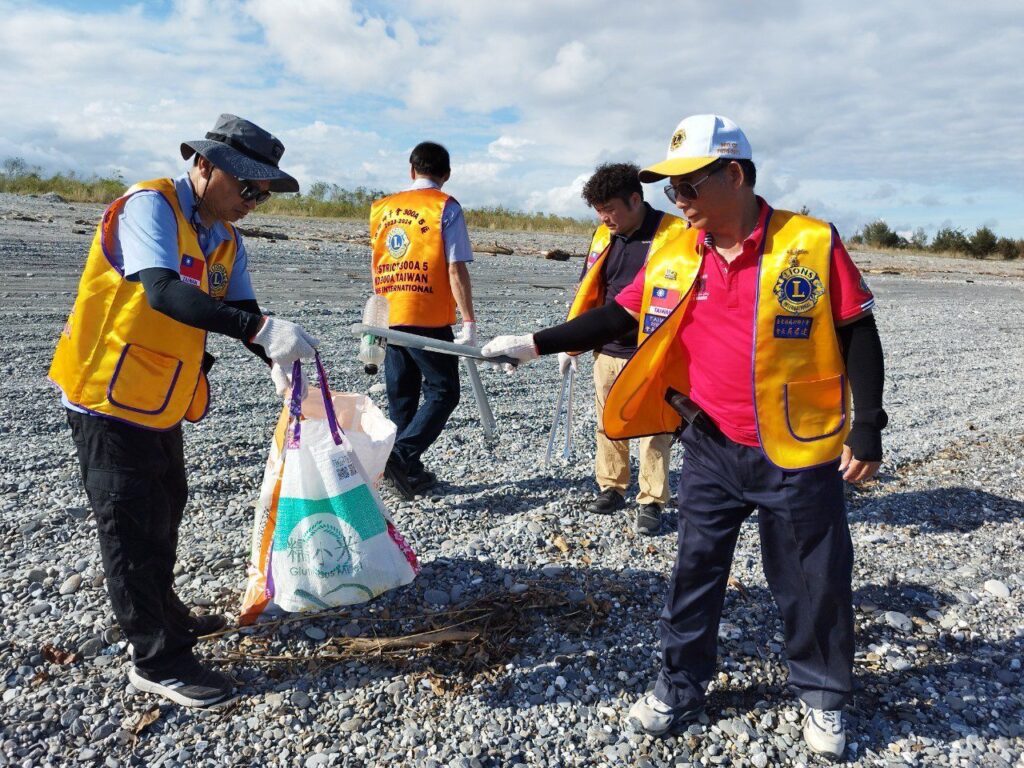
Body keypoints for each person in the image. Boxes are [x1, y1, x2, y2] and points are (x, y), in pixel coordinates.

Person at [483, 114, 886, 759]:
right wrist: (535, 344)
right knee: (694, 571)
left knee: (811, 578)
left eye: (689, 187)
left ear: (735, 174)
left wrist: (866, 428)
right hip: (708, 443)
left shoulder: (810, 241)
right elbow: (620, 313)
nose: (679, 201)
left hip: (798, 444)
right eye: (671, 190)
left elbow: (856, 329)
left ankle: (823, 697)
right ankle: (681, 684)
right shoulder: (673, 250)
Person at [49, 114, 319, 709]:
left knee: (167, 506)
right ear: (204, 164)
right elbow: (163, 291)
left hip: (161, 398)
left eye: (262, 194)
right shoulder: (151, 205)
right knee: (130, 527)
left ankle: (167, 615)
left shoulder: (225, 239)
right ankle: (157, 660)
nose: (252, 201)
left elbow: (242, 307)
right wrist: (261, 329)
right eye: (246, 187)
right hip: (105, 395)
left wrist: (271, 354)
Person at [563, 162, 688, 534]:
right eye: (599, 211)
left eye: (610, 209)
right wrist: (572, 342)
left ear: (635, 200)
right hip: (608, 349)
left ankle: (652, 499)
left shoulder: (677, 234)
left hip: (654, 351)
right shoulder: (604, 235)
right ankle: (612, 485)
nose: (605, 218)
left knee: (654, 429)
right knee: (607, 421)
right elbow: (590, 287)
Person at [370, 141, 476, 499]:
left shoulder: (381, 208)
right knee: (444, 391)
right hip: (426, 313)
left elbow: (380, 261)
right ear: (445, 175)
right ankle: (401, 456)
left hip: (387, 312)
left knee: (402, 395)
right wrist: (469, 322)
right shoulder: (445, 206)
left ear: (412, 169)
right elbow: (455, 266)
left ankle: (406, 471)